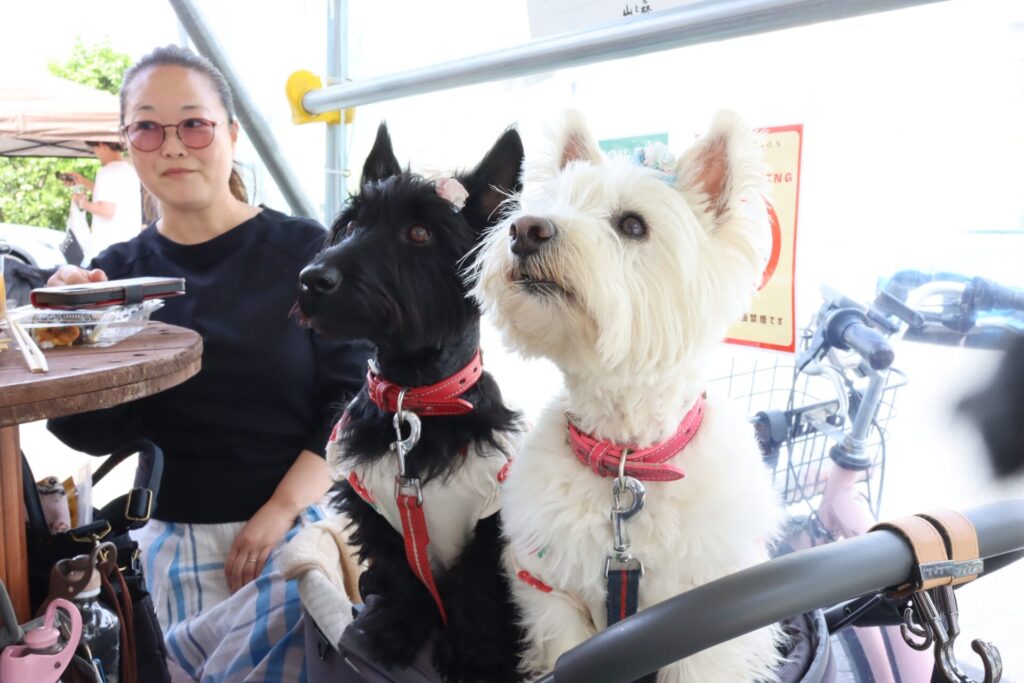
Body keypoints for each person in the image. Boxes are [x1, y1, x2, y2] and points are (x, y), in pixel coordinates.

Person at [47, 45, 370, 682]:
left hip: (300, 533)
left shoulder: (306, 251)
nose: (173, 146)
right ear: (128, 143)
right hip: (172, 547)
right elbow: (94, 432)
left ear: (232, 133)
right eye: (147, 127)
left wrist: (279, 512)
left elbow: (354, 400)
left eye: (194, 124)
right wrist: (71, 337)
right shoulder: (116, 274)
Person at [61, 140, 143, 257]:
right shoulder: (129, 170)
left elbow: (107, 210)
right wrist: (82, 181)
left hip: (109, 248)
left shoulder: (108, 171)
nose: (95, 153)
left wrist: (82, 202)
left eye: (94, 148)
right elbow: (109, 195)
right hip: (128, 246)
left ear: (103, 145)